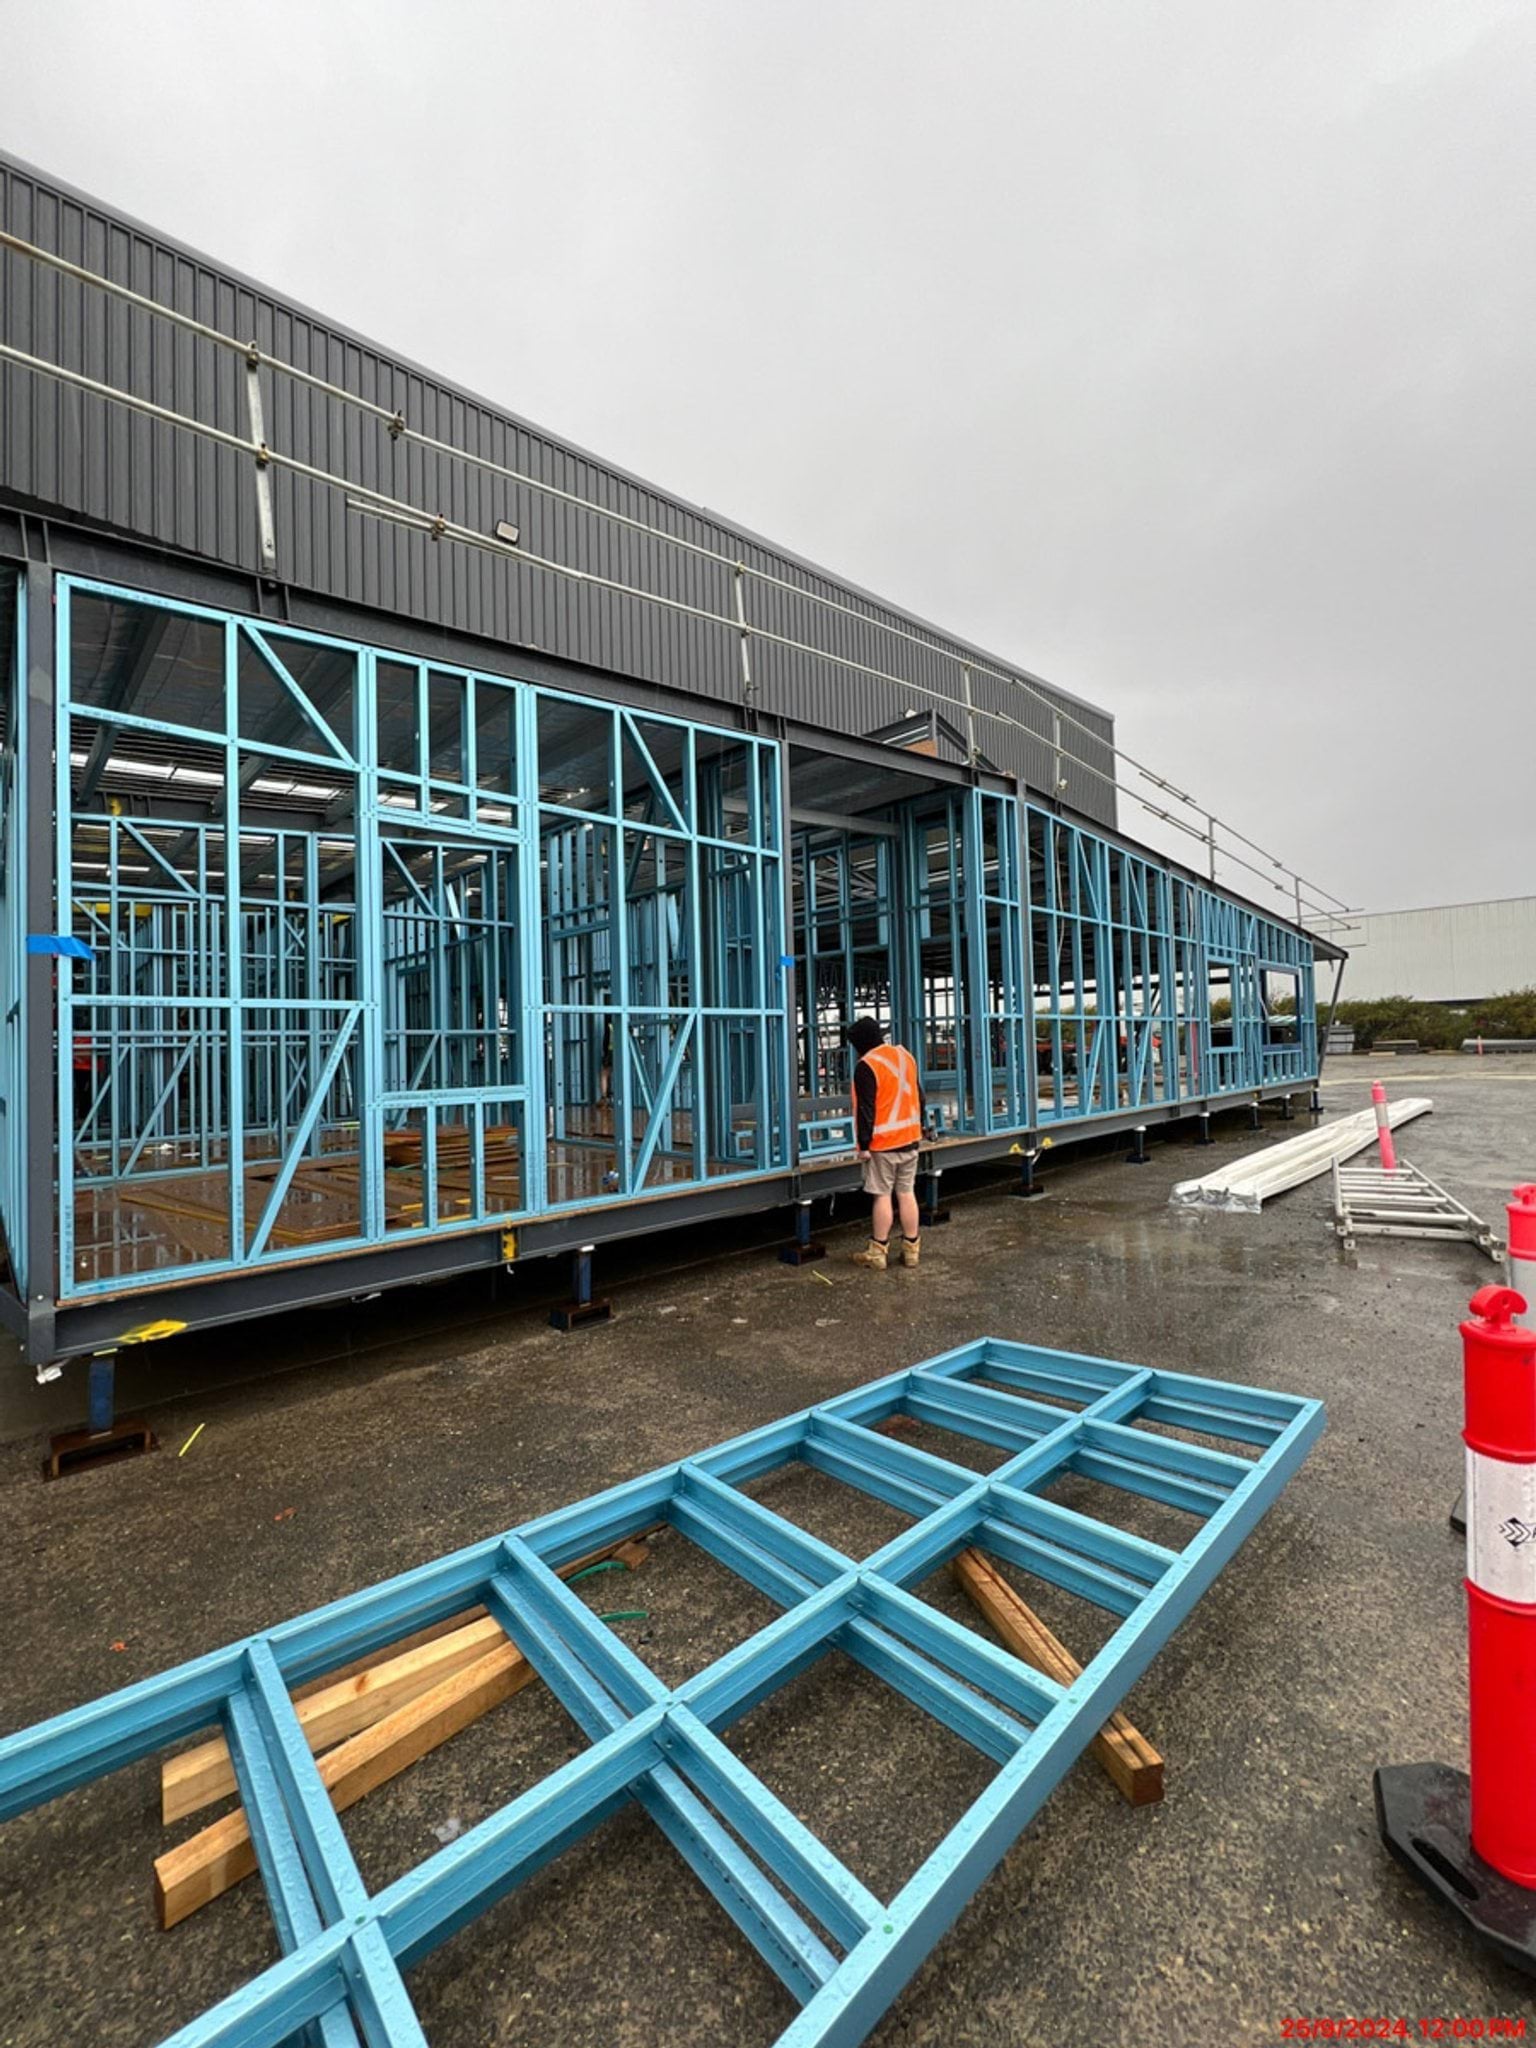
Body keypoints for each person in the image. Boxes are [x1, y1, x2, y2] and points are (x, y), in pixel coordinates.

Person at [846, 1016, 926, 1271]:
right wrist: (920, 1127)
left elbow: (866, 1108)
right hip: (911, 1139)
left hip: (883, 1144)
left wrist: (864, 1145)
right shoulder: (905, 1056)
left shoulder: (867, 1065)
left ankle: (878, 1252)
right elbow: (919, 1095)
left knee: (882, 1196)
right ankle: (911, 1251)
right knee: (907, 1193)